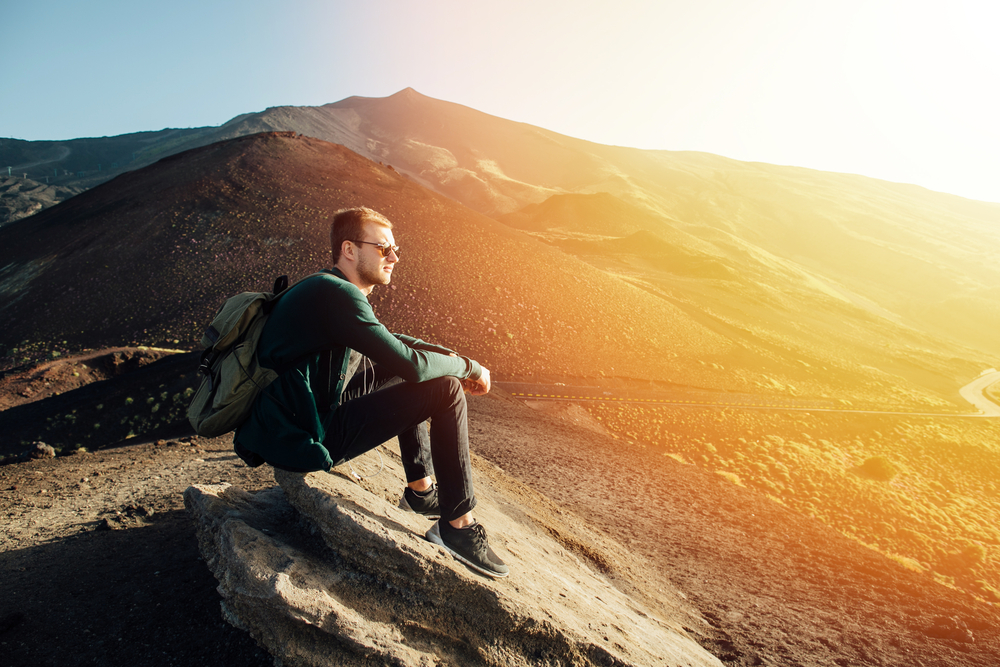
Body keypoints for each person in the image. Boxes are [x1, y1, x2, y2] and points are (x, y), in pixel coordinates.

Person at [233, 206, 508, 578]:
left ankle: (420, 491)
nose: (394, 257)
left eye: (395, 249)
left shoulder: (326, 285)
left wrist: (455, 356)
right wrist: (468, 369)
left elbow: (391, 343)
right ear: (349, 249)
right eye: (383, 248)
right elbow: (411, 364)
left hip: (292, 419)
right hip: (303, 438)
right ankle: (457, 527)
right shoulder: (337, 294)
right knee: (444, 388)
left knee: (407, 369)